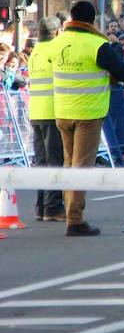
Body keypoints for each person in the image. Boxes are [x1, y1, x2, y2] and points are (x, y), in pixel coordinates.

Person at [52, 1, 124, 236]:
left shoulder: (57, 43)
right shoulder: (97, 44)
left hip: (62, 111)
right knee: (82, 167)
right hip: (88, 113)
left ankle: (70, 213)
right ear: (92, 20)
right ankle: (74, 221)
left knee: (68, 165)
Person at [29, 16, 65, 222]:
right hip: (52, 112)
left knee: (42, 162)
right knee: (55, 161)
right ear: (57, 31)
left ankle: (41, 207)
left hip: (36, 111)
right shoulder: (55, 49)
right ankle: (52, 207)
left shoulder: (36, 50)